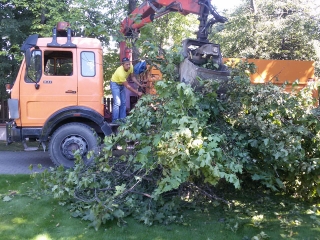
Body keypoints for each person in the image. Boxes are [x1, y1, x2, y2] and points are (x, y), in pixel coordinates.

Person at [110, 57, 143, 123]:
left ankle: (123, 120)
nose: (128, 66)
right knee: (117, 103)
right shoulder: (120, 72)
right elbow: (128, 86)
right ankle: (115, 121)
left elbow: (133, 77)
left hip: (121, 84)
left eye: (129, 64)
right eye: (126, 65)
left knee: (124, 102)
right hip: (115, 84)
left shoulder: (131, 67)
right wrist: (137, 92)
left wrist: (140, 85)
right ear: (122, 65)